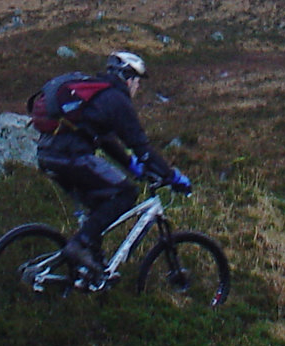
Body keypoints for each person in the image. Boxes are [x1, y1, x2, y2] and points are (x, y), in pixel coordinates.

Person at [34, 50, 193, 283]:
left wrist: (131, 164)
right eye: (138, 81)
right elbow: (142, 147)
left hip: (49, 154)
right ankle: (80, 245)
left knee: (101, 200)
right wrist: (171, 176)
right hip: (70, 156)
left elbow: (107, 140)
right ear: (129, 78)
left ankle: (91, 267)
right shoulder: (117, 100)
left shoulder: (99, 96)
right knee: (126, 193)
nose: (137, 87)